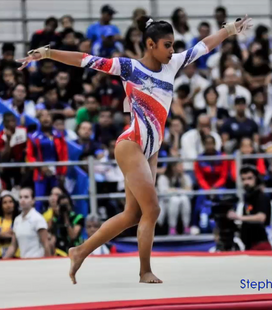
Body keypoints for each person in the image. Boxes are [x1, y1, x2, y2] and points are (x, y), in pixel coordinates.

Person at [17, 14, 252, 284]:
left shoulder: (172, 64)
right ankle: (144, 271)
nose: (172, 50)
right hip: (131, 144)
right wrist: (47, 53)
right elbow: (85, 59)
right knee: (152, 210)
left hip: (150, 149)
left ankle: (79, 251)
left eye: (173, 44)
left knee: (133, 214)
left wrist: (229, 30)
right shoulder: (128, 67)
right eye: (167, 45)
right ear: (150, 44)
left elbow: (203, 46)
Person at [228, 165, 272, 250]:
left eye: (249, 178)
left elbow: (261, 217)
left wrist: (238, 217)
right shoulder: (248, 198)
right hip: (249, 245)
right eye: (243, 179)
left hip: (261, 245)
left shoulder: (261, 196)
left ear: (256, 179)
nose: (246, 182)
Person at [3, 188, 51, 259]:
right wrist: (3, 261)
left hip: (38, 261)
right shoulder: (17, 220)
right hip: (24, 261)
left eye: (26, 197)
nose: (23, 200)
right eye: (20, 197)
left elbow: (46, 244)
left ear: (33, 200)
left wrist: (49, 263)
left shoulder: (38, 219)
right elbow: (13, 246)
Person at [157, 162, 192, 235]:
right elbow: (164, 193)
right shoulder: (163, 177)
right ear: (173, 167)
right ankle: (172, 228)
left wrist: (175, 190)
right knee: (174, 200)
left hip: (181, 202)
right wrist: (181, 191)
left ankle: (186, 227)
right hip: (166, 203)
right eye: (180, 166)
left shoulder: (185, 177)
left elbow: (190, 192)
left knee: (184, 199)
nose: (182, 168)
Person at [0, 191, 19, 258]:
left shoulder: (19, 220)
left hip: (16, 256)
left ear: (14, 204)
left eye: (10, 202)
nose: (8, 205)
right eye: (5, 202)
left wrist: (3, 234)